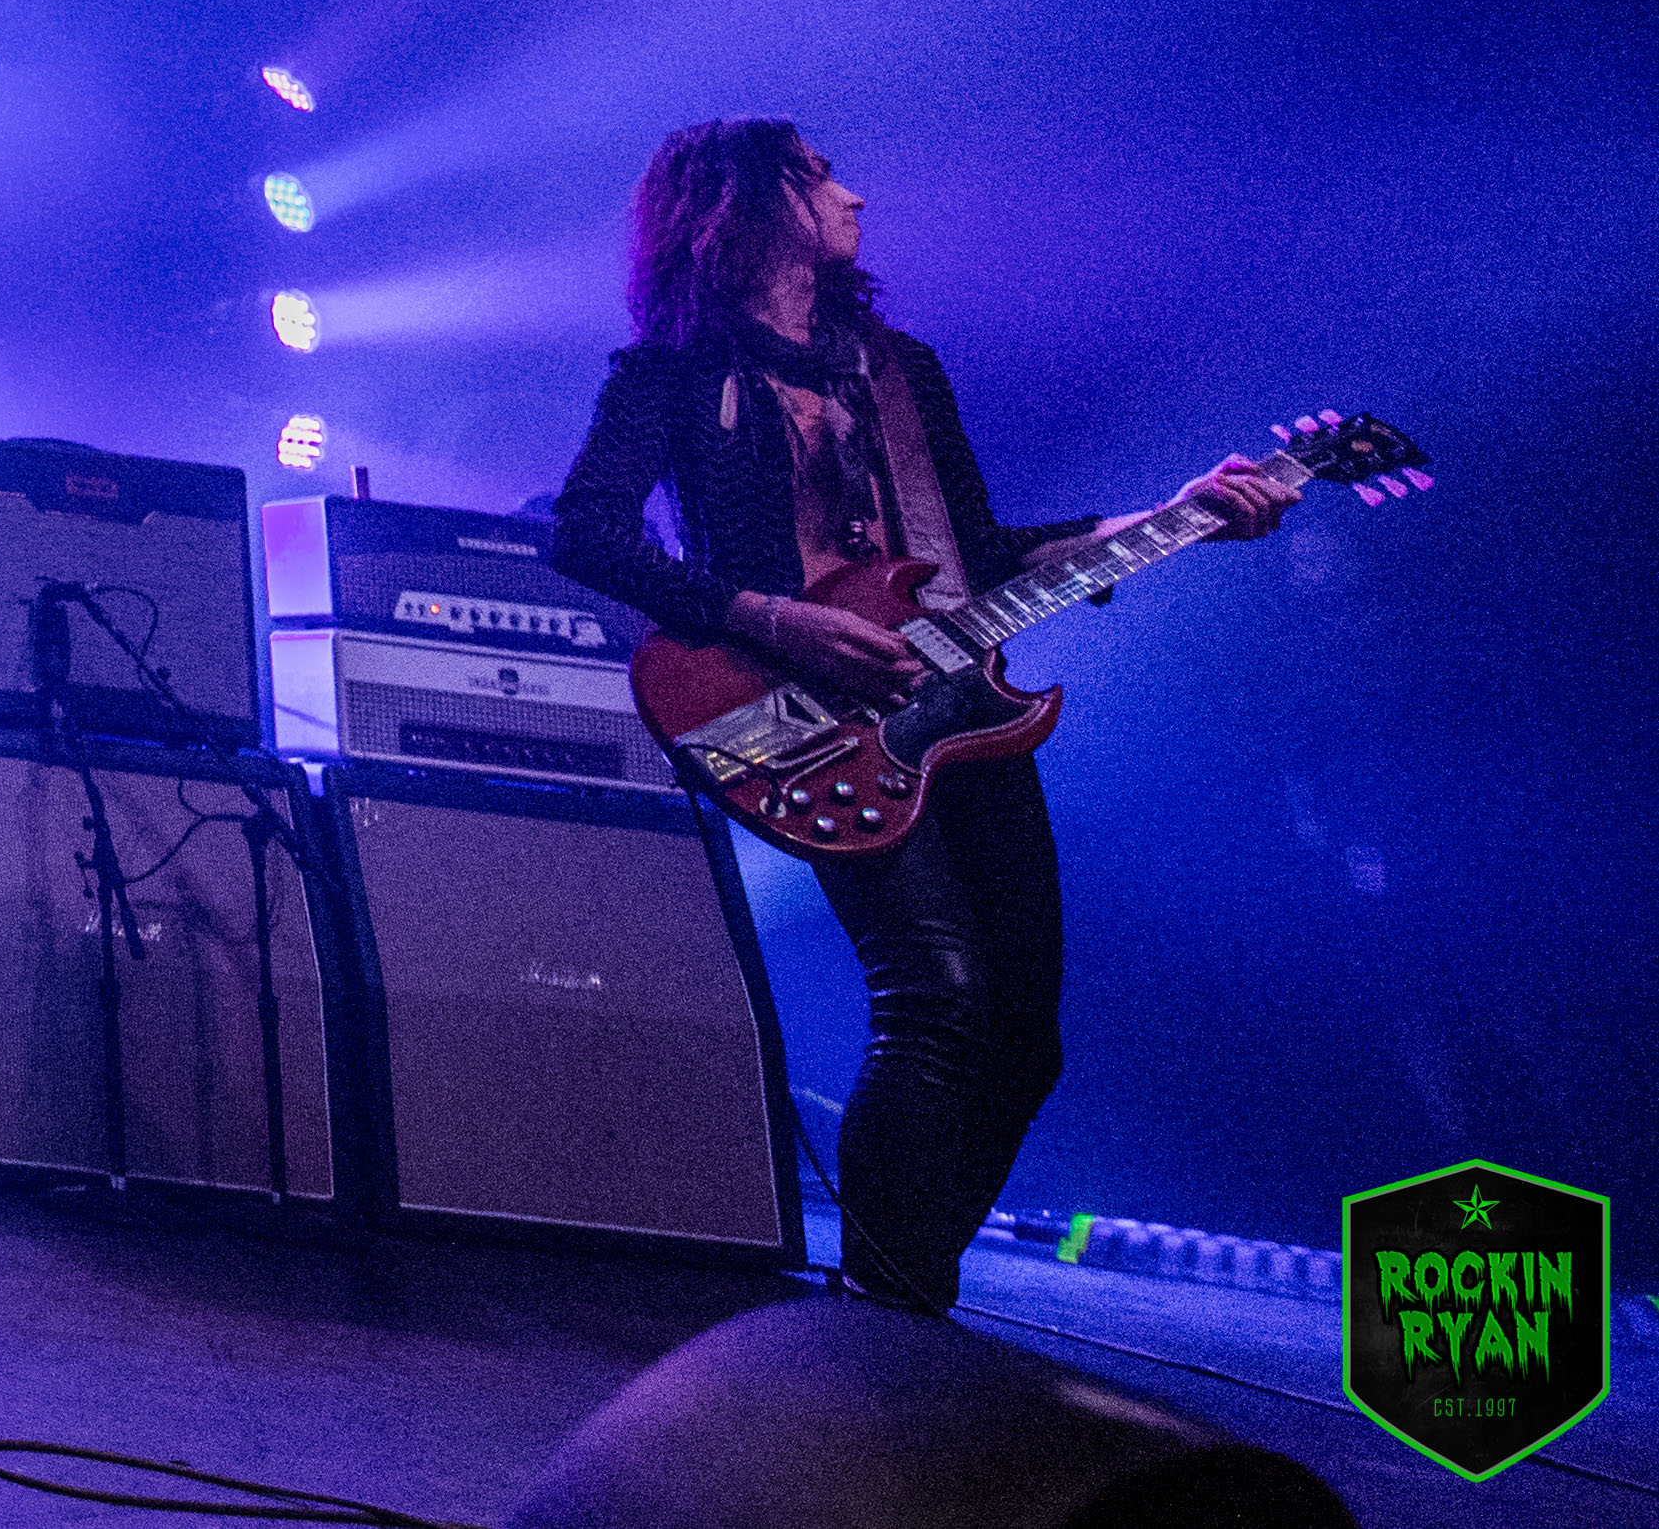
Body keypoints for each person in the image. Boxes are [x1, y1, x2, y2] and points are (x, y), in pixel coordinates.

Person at [549, 119, 1295, 1313]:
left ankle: (897, 1294)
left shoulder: (899, 371)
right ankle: (884, 1314)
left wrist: (1172, 514)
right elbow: (585, 530)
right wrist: (771, 617)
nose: (853, 192)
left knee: (1023, 1035)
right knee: (934, 995)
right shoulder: (671, 372)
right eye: (819, 174)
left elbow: (975, 554)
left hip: (961, 705)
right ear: (746, 202)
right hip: (787, 712)